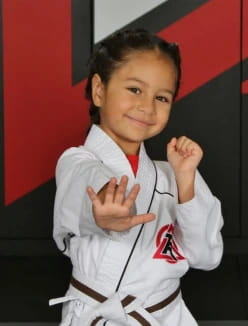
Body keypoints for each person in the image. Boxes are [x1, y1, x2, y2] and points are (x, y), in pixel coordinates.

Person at [49, 29, 223, 325]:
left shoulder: (174, 176)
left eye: (162, 97)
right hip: (96, 314)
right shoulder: (76, 162)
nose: (148, 107)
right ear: (99, 90)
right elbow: (87, 181)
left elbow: (206, 257)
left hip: (164, 316)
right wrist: (104, 209)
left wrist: (185, 180)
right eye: (134, 90)